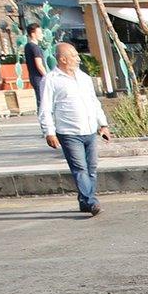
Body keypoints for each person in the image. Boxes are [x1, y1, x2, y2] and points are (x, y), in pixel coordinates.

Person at [38, 41, 111, 216]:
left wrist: (103, 124)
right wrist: (49, 132)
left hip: (89, 130)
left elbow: (94, 102)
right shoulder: (50, 80)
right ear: (63, 59)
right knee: (80, 169)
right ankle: (92, 202)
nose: (78, 58)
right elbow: (45, 108)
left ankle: (85, 201)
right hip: (69, 132)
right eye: (74, 55)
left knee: (91, 168)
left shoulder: (84, 78)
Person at [21, 23, 49, 92]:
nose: (42, 35)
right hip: (39, 78)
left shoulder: (27, 46)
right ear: (33, 34)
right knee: (42, 99)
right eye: (39, 33)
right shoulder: (35, 48)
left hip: (33, 77)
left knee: (40, 99)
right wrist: (47, 77)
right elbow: (39, 65)